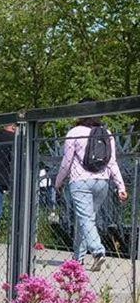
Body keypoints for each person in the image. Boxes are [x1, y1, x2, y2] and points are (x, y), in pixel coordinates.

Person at [54, 108, 126, 271]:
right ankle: (77, 260)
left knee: (85, 219)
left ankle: (98, 252)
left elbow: (66, 162)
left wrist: (58, 183)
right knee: (85, 220)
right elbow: (112, 162)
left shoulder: (74, 132)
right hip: (102, 182)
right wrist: (120, 186)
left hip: (80, 182)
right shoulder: (106, 133)